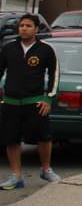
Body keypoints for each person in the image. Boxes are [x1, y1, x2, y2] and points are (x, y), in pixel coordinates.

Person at [0, 14, 60, 189]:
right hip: (11, 102)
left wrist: (48, 98)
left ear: (36, 29)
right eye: (21, 26)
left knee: (43, 137)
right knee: (11, 139)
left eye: (27, 26)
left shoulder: (46, 50)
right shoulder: (9, 48)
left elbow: (54, 75)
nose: (23, 28)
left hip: (35, 102)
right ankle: (16, 176)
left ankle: (46, 169)